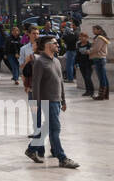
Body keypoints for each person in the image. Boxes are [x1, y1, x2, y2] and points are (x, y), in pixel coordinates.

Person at [25, 35, 78, 169]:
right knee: (55, 129)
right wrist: (36, 103)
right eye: (55, 43)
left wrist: (63, 100)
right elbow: (36, 84)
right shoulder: (40, 62)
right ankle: (62, 158)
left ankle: (31, 149)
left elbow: (60, 82)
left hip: (56, 100)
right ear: (48, 45)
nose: (58, 45)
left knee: (48, 128)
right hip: (47, 100)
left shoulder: (56, 61)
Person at [89, 25, 110, 100]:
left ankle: (101, 95)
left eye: (94, 29)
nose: (93, 31)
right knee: (103, 77)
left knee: (101, 77)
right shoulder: (99, 37)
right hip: (100, 58)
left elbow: (96, 48)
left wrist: (88, 51)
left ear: (99, 30)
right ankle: (105, 94)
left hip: (99, 58)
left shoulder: (100, 38)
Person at [74, 30, 95, 97]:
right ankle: (87, 91)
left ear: (87, 37)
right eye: (81, 37)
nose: (82, 38)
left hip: (89, 63)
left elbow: (92, 54)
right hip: (81, 63)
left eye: (84, 37)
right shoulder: (78, 44)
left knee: (88, 77)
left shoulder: (89, 45)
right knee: (84, 77)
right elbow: (77, 54)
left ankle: (91, 91)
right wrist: (76, 63)